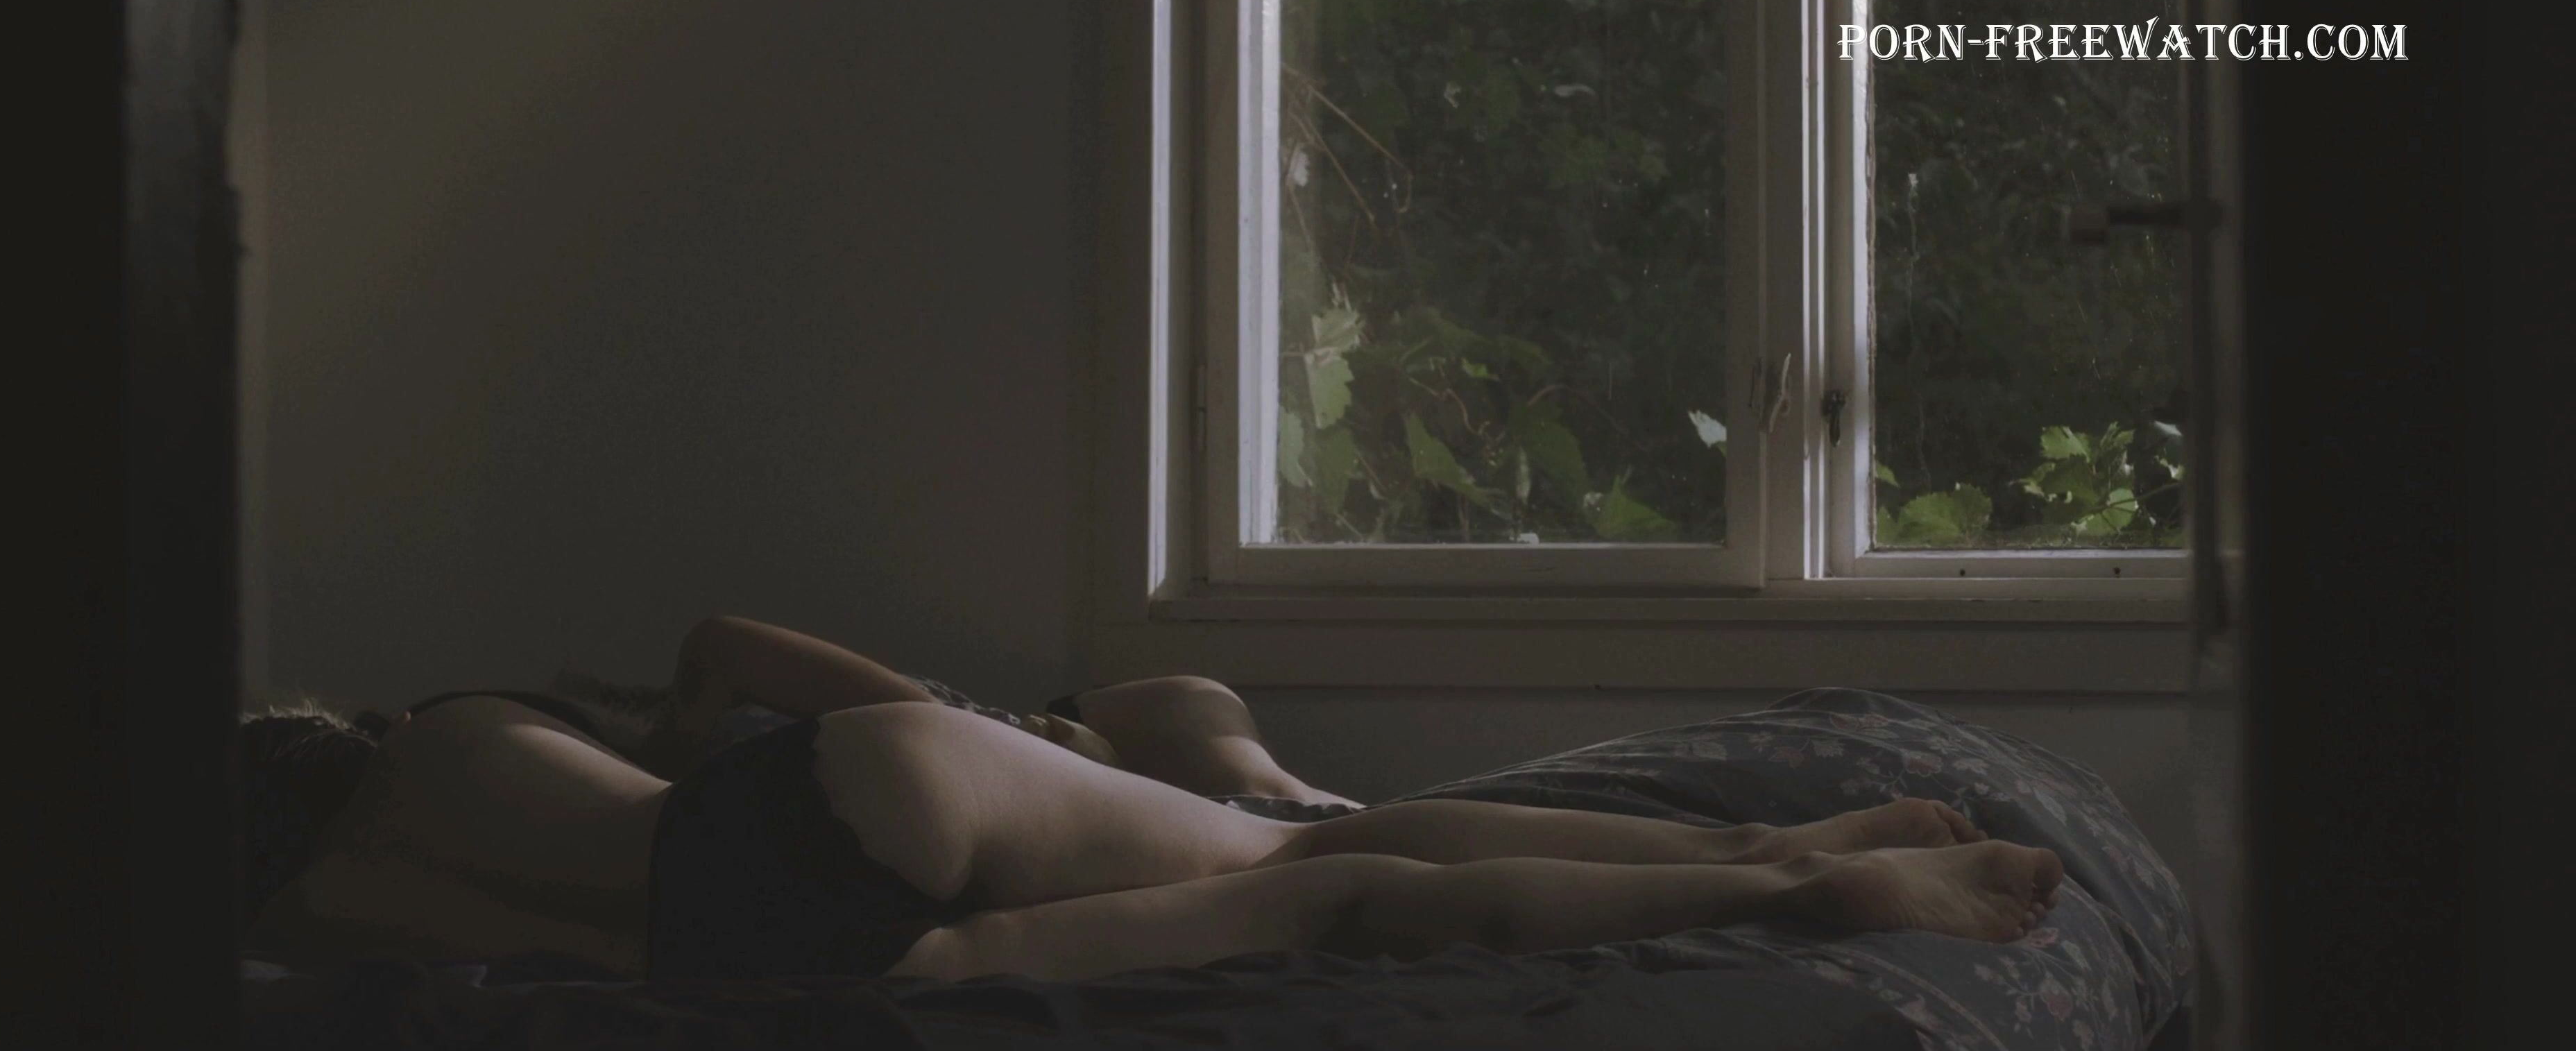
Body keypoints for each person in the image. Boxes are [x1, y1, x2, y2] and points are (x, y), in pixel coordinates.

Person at [237, 616, 2064, 983]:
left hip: (766, 932)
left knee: (1318, 887)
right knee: (1321, 841)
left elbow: (547, 965)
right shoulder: (451, 721)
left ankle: (1778, 880)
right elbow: (713, 688)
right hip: (823, 800)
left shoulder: (320, 901)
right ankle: (1773, 851)